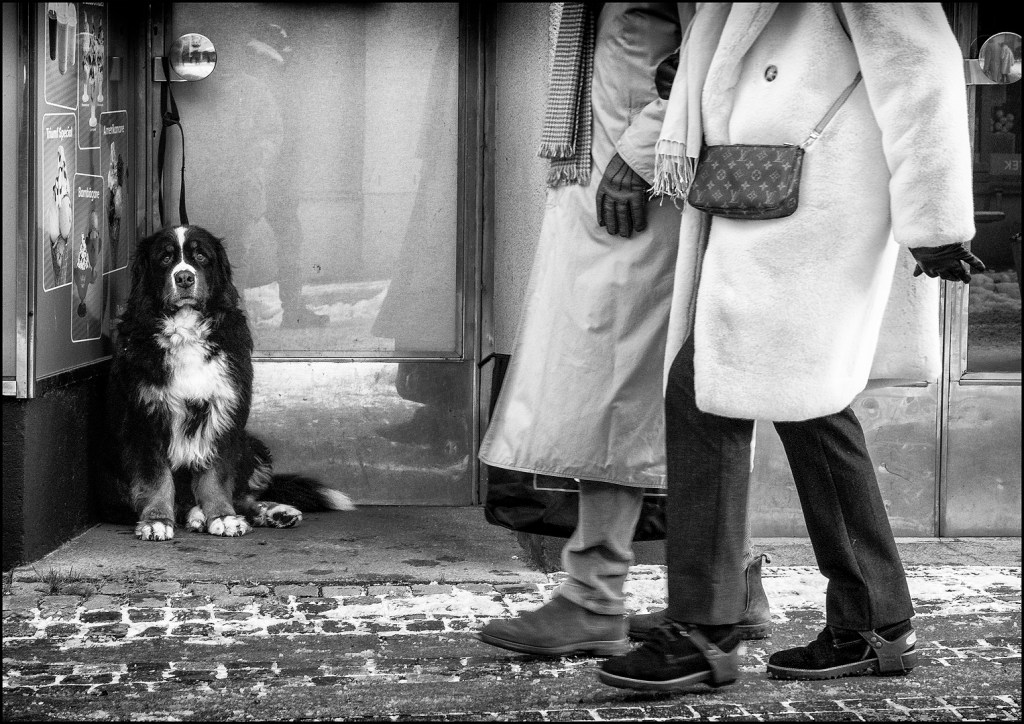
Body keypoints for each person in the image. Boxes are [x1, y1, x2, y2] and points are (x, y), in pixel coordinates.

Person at [597, 3, 982, 691]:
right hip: (766, 198)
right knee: (809, 404)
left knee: (705, 392)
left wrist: (936, 221)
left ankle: (706, 630)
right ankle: (874, 619)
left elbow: (920, 65)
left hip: (818, 203)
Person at [475, 2, 771, 658]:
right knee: (652, 386)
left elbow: (718, 40)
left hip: (642, 184)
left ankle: (595, 595)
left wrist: (637, 154)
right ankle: (732, 582)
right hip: (614, 174)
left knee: (616, 386)